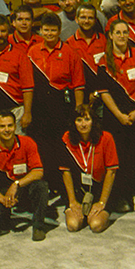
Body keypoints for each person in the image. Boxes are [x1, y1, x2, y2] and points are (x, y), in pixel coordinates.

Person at [99, 19, 135, 212]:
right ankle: (120, 196)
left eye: (125, 32)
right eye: (118, 32)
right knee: (118, 156)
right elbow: (104, 92)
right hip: (115, 115)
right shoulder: (104, 60)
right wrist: (119, 115)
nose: (122, 36)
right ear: (111, 35)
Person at [28, 13, 86, 181]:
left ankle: (64, 184)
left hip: (61, 105)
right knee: (42, 146)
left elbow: (78, 83)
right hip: (39, 106)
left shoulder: (70, 52)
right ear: (40, 31)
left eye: (53, 31)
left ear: (59, 31)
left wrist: (79, 109)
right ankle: (48, 181)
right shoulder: (32, 51)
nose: (49, 34)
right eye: (46, 30)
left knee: (61, 144)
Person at [0, 111, 48, 241]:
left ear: (15, 126)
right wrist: (2, 199)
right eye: (2, 126)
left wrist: (16, 184)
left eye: (10, 126)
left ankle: (38, 226)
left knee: (41, 186)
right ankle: (5, 217)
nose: (7, 130)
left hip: (23, 187)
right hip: (3, 191)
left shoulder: (27, 143)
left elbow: (38, 171)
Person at [60, 103, 117, 233]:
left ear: (93, 121)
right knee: (73, 225)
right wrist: (73, 201)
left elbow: (111, 172)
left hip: (99, 190)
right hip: (79, 190)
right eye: (79, 120)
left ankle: (98, 211)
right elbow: (66, 172)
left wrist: (102, 202)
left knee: (96, 225)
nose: (83, 124)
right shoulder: (67, 138)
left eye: (87, 119)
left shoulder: (106, 138)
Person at [0, 15, 34, 136]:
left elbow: (28, 86)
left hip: (15, 109)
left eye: (3, 31)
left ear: (9, 31)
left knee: (17, 147)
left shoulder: (19, 55)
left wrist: (27, 112)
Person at [66, 3, 108, 92]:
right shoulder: (69, 44)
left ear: (95, 20)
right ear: (76, 19)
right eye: (83, 17)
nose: (86, 21)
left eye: (90, 18)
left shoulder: (103, 39)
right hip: (81, 91)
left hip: (103, 89)